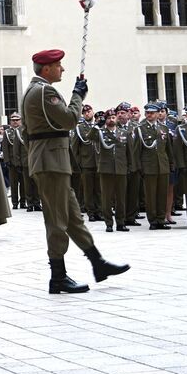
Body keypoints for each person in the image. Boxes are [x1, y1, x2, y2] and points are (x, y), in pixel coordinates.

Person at [21, 49, 129, 294]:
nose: (62, 69)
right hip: (51, 162)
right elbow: (70, 120)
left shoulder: (35, 90)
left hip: (51, 161)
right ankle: (57, 277)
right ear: (46, 69)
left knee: (72, 218)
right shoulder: (44, 91)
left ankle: (98, 263)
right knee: (57, 221)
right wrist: (78, 95)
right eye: (59, 65)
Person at [134, 102, 172, 231]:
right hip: (148, 166)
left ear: (157, 114)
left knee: (162, 194)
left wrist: (171, 164)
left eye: (152, 113)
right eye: (147, 113)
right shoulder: (140, 128)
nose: (149, 115)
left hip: (163, 166)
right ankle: (153, 220)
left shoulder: (163, 128)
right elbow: (136, 151)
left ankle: (161, 219)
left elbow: (168, 149)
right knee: (150, 195)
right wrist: (139, 167)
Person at [94, 107, 131, 233]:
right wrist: (96, 127)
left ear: (116, 118)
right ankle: (109, 223)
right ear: (106, 120)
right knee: (106, 198)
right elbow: (89, 138)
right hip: (106, 169)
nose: (111, 119)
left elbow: (129, 152)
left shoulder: (123, 133)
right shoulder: (100, 133)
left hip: (121, 168)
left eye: (113, 117)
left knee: (121, 198)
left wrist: (130, 166)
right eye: (109, 118)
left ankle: (121, 222)